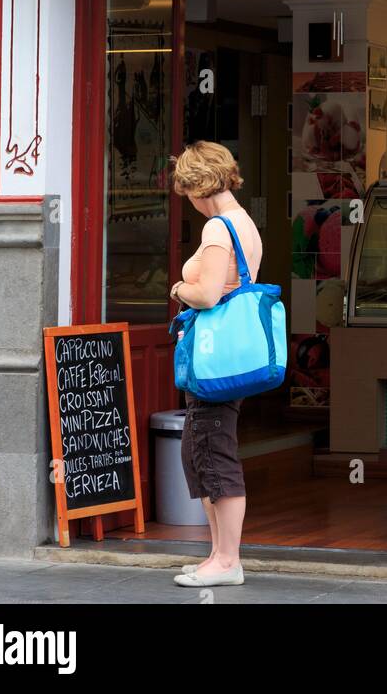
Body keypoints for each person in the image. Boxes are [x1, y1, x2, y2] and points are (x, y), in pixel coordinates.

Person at [169, 141, 263, 588]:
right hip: (230, 355)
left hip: (214, 358)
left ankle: (227, 561)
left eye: (185, 189)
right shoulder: (243, 223)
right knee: (201, 450)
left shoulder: (217, 229)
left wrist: (177, 290)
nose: (185, 200)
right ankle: (218, 556)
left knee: (212, 451)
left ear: (197, 185)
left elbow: (206, 294)